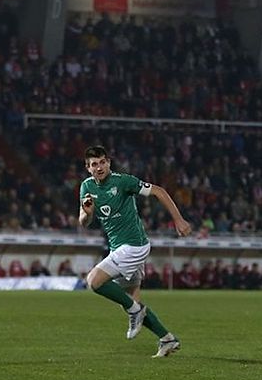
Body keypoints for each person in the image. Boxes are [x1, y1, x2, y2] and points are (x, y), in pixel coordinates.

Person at [79, 145, 192, 357]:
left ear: (109, 163)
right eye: (94, 164)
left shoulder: (123, 181)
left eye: (103, 162)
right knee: (131, 301)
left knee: (94, 281)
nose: (99, 167)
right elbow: (83, 222)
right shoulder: (86, 187)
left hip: (134, 245)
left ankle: (136, 312)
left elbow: (159, 191)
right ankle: (167, 339)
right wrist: (87, 213)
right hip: (117, 247)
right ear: (88, 168)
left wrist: (178, 219)